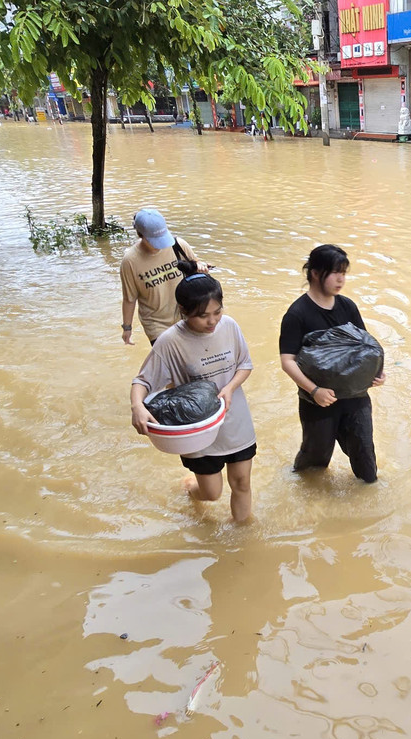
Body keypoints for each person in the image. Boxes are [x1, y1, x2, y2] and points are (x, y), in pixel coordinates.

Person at [130, 263, 256, 523]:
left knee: (242, 482)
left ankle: (242, 533)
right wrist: (138, 407)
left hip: (234, 419)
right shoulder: (170, 341)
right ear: (184, 311)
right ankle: (189, 487)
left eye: (217, 312)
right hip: (196, 429)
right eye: (203, 316)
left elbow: (244, 364)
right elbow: (142, 381)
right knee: (212, 493)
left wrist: (230, 388)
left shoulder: (229, 326)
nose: (212, 321)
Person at [279, 245, 385, 484]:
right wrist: (315, 390)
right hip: (317, 402)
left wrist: (377, 373)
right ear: (315, 273)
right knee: (314, 463)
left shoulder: (347, 306)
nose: (341, 279)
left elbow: (366, 348)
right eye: (335, 272)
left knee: (365, 459)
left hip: (355, 397)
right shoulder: (297, 314)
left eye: (344, 273)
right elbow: (287, 361)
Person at [120, 209, 203, 346]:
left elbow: (197, 267)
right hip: (156, 325)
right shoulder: (130, 261)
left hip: (187, 316)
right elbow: (129, 298)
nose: (160, 245)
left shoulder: (178, 245)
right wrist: (127, 328)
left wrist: (201, 267)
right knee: (172, 359)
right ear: (141, 235)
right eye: (154, 240)